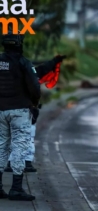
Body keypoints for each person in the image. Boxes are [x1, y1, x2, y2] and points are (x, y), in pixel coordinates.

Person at [4, 55, 66, 173]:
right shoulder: (30, 73)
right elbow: (42, 70)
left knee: (9, 137)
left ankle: (10, 164)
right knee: (27, 138)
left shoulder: (5, 75)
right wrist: (54, 61)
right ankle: (25, 164)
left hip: (6, 110)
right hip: (25, 111)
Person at [0, 30, 40, 201]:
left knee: (1, 146)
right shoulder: (24, 62)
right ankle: (16, 188)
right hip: (20, 111)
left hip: (0, 110)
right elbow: (35, 87)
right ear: (19, 44)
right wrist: (34, 104)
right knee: (19, 147)